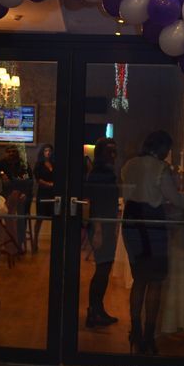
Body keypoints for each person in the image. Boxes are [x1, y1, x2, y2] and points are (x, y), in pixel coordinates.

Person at [120, 130, 184, 355]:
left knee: (139, 280)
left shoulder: (129, 165)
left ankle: (135, 331)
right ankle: (148, 335)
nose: (169, 153)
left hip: (131, 222)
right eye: (168, 149)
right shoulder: (161, 168)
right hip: (151, 225)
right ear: (162, 148)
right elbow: (176, 199)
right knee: (155, 281)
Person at [84, 138, 119, 328]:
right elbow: (96, 203)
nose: (113, 155)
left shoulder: (104, 172)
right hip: (101, 226)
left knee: (104, 268)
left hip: (106, 225)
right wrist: (98, 230)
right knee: (102, 268)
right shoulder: (100, 173)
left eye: (114, 151)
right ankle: (94, 311)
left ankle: (97, 309)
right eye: (109, 151)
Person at [32, 144, 55, 253]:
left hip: (53, 194)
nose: (48, 153)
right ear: (42, 152)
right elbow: (38, 179)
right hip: (43, 193)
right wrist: (49, 184)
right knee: (39, 218)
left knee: (55, 217)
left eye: (49, 151)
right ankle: (35, 241)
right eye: (46, 150)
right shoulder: (39, 165)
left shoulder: (55, 163)